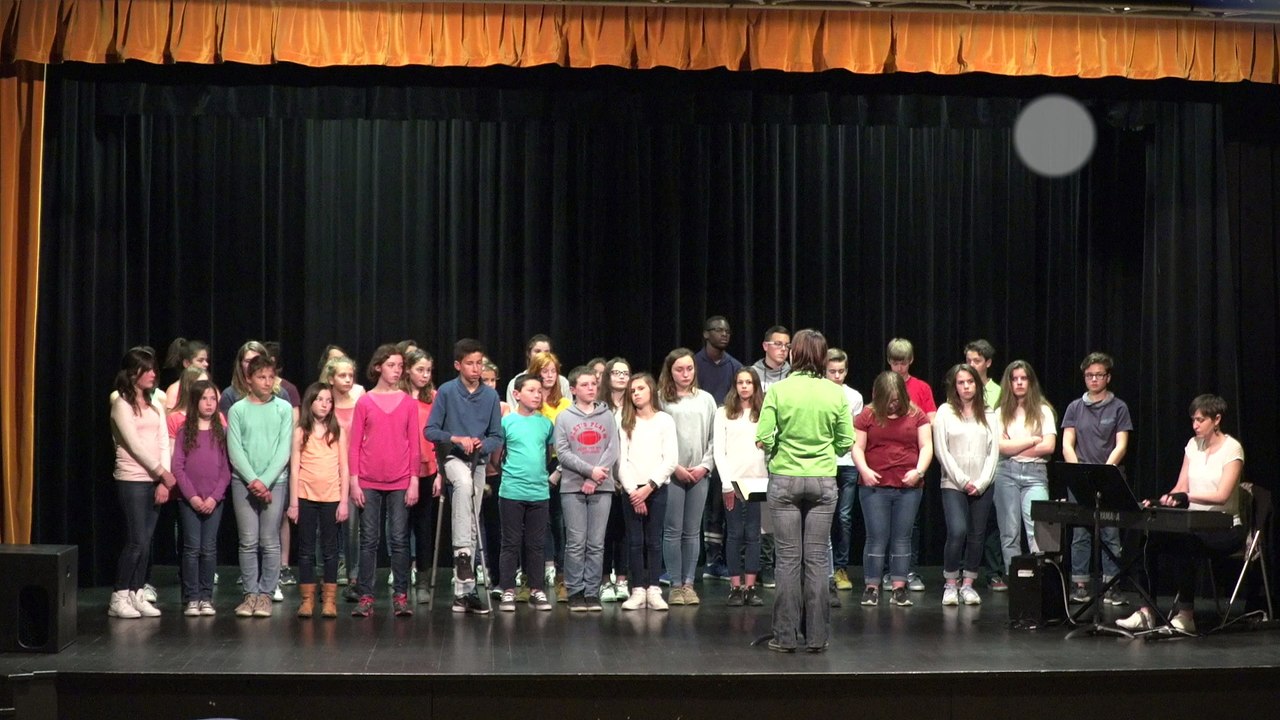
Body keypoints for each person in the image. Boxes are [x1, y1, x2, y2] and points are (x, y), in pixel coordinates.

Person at [756, 329, 853, 652]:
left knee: (787, 559)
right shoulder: (836, 393)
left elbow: (764, 436)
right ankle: (817, 637)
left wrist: (779, 448)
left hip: (784, 479)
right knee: (816, 561)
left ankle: (784, 637)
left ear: (795, 354)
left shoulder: (780, 390)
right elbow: (846, 442)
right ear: (823, 357)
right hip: (823, 480)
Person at [1117, 395, 1245, 634]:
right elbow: (1181, 487)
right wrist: (1166, 498)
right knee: (1148, 538)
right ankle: (1146, 611)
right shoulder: (1192, 445)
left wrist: (1187, 497)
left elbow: (1222, 495)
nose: (1195, 425)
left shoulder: (1232, 448)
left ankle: (1186, 615)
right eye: (1193, 420)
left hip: (1224, 528)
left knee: (1185, 541)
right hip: (1193, 522)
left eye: (1200, 420)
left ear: (1216, 419)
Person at [425, 338, 504, 614]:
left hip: (478, 461)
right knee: (463, 483)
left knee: (472, 518)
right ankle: (461, 554)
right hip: (452, 459)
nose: (476, 368)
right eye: (470, 363)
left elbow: (497, 435)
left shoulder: (491, 396)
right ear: (458, 365)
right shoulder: (447, 391)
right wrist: (456, 438)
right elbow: (431, 431)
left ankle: (464, 593)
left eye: (479, 363)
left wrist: (484, 444)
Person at [348, 345, 421, 618]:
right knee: (368, 540)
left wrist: (414, 480)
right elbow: (354, 445)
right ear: (379, 366)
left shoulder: (408, 402)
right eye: (392, 365)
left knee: (400, 539)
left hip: (400, 478)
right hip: (369, 478)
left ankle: (400, 596)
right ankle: (366, 596)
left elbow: (414, 444)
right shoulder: (365, 402)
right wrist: (355, 482)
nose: (397, 370)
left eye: (400, 366)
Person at [852, 371, 932, 608]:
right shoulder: (868, 414)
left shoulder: (916, 415)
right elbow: (857, 447)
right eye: (889, 399)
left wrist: (918, 471)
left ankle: (899, 587)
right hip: (874, 485)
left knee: (902, 538)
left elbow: (927, 446)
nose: (893, 404)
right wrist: (864, 470)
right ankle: (871, 587)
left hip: (908, 486)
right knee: (876, 537)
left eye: (897, 399)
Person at [1061, 352, 1134, 606]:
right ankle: (1080, 583)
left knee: (1110, 532)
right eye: (1089, 375)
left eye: (1099, 375)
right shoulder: (1074, 407)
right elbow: (1067, 443)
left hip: (1109, 476)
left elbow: (1121, 445)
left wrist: (1104, 471)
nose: (1093, 379)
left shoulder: (1119, 407)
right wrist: (1078, 473)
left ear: (1108, 377)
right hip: (1082, 477)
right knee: (1081, 531)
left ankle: (1111, 585)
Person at [226, 354, 294, 619]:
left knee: (270, 540)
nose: (267, 382)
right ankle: (250, 594)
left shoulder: (283, 408)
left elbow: (283, 449)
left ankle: (266, 594)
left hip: (274, 482)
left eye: (270, 377)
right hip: (243, 483)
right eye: (261, 377)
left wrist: (264, 481)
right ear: (248, 379)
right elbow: (235, 450)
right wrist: (253, 480)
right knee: (248, 541)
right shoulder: (238, 409)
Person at [108, 347, 173, 619]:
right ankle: (119, 595)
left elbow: (163, 441)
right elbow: (134, 445)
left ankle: (137, 592)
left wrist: (164, 480)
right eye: (146, 369)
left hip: (154, 480)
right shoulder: (121, 404)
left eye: (153, 369)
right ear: (132, 372)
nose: (153, 374)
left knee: (146, 542)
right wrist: (160, 471)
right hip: (132, 479)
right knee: (136, 540)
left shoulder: (155, 404)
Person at [554, 366, 621, 611]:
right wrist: (588, 472)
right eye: (585, 385)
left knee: (596, 542)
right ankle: (575, 591)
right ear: (573, 389)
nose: (591, 388)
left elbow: (613, 449)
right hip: (573, 486)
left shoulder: (607, 415)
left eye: (593, 384)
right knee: (576, 541)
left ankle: (592, 591)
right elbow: (562, 452)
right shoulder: (564, 417)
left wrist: (595, 478)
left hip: (601, 486)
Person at [933, 364, 998, 606]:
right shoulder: (944, 412)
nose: (966, 386)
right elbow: (942, 450)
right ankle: (951, 583)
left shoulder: (989, 413)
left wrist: (981, 482)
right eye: (961, 382)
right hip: (953, 483)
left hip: (983, 483)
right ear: (954, 386)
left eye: (970, 382)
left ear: (977, 384)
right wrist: (962, 480)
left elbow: (994, 452)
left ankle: (968, 583)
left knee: (977, 535)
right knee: (958, 531)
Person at [658, 348, 717, 606]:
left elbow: (716, 437)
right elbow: (656, 437)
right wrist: (675, 466)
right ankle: (675, 583)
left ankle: (689, 584)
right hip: (672, 473)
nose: (685, 374)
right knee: (672, 530)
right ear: (670, 371)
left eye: (689, 368)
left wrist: (705, 465)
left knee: (692, 531)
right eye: (679, 369)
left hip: (699, 473)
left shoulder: (705, 399)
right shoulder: (661, 399)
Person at [287, 382, 350, 619]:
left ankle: (330, 600)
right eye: (320, 400)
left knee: (330, 551)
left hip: (331, 497)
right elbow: (295, 468)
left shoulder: (338, 430)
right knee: (305, 551)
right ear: (310, 402)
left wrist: (344, 501)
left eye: (329, 400)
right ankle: (307, 599)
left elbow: (344, 468)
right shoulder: (300, 431)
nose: (325, 404)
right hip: (305, 495)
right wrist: (294, 503)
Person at [616, 373, 678, 611]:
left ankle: (653, 588)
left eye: (640, 388)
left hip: (657, 488)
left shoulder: (664, 421)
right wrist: (634, 492)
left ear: (651, 390)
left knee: (653, 540)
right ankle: (637, 589)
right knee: (634, 541)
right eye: (632, 391)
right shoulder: (625, 421)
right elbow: (621, 461)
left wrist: (649, 488)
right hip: (632, 488)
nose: (636, 393)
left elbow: (670, 459)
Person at [497, 375, 557, 612]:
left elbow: (547, 454)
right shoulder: (507, 422)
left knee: (536, 543)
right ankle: (508, 589)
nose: (536, 395)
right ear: (517, 394)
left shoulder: (545, 424)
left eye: (539, 391)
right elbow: (497, 456)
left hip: (539, 492)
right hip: (512, 491)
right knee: (510, 542)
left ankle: (536, 589)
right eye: (531, 390)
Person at [172, 379, 231, 617]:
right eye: (204, 398)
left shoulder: (222, 432)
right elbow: (178, 467)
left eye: (212, 399)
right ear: (195, 401)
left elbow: (227, 469)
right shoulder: (185, 431)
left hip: (213, 501)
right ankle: (191, 597)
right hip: (190, 500)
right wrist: (193, 497)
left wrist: (214, 497)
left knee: (208, 549)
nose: (209, 403)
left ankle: (206, 597)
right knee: (191, 548)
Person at [993, 360, 1057, 574]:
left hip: (1035, 474)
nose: (1019, 383)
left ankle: (1040, 578)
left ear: (1030, 381)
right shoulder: (1001, 412)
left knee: (1038, 530)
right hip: (1006, 473)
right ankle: (1017, 580)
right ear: (1009, 383)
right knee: (1009, 533)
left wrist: (1014, 447)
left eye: (1023, 378)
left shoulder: (1043, 410)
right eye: (1014, 379)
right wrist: (1032, 440)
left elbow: (1049, 446)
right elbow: (1000, 447)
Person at [694, 316, 742, 582]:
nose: (724, 334)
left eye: (727, 330)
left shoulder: (735, 367)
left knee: (719, 505)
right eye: (718, 330)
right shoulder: (694, 364)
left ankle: (716, 560)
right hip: (696, 444)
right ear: (705, 334)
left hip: (725, 444)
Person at [885, 338, 936, 592]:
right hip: (885, 465)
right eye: (895, 363)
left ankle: (909, 571)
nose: (899, 368)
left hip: (912, 462)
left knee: (909, 525)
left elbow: (932, 420)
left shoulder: (922, 388)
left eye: (903, 363)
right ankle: (887, 573)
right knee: (884, 524)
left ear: (911, 361)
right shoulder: (883, 385)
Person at [714, 368, 768, 607]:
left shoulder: (764, 412)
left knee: (755, 534)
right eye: (740, 382)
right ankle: (735, 586)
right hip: (733, 481)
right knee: (735, 534)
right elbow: (719, 451)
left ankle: (751, 586)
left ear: (755, 386)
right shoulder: (723, 413)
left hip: (758, 480)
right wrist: (726, 482)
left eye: (749, 382)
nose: (744, 386)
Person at [965, 338, 1007, 592]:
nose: (971, 365)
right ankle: (961, 571)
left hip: (992, 465)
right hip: (965, 464)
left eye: (976, 361)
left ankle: (993, 572)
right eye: (968, 360)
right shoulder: (959, 388)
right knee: (962, 523)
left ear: (988, 363)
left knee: (990, 522)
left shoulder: (1000, 393)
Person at [322, 353, 365, 595]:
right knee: (325, 527)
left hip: (353, 472)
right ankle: (324, 578)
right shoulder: (325, 404)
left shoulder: (360, 401)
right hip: (327, 471)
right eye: (342, 375)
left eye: (350, 375)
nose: (348, 380)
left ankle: (353, 578)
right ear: (331, 378)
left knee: (352, 529)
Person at [530, 351, 571, 601]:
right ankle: (533, 575)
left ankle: (561, 575)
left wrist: (557, 472)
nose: (548, 376)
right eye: (543, 371)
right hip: (533, 465)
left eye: (552, 371)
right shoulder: (531, 402)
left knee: (557, 521)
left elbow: (568, 442)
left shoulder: (564, 404)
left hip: (559, 466)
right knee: (535, 522)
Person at [824, 348, 864, 593]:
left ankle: (840, 567)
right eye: (832, 371)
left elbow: (856, 433)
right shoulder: (818, 393)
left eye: (841, 371)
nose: (837, 376)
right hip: (825, 463)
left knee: (844, 517)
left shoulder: (854, 397)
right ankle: (824, 569)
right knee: (824, 517)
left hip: (847, 463)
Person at [403, 349, 440, 604]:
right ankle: (402, 580)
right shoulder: (399, 397)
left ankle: (424, 580)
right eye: (420, 370)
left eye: (428, 370)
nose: (425, 375)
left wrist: (439, 473)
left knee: (424, 527)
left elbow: (439, 436)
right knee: (400, 528)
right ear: (408, 370)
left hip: (428, 470)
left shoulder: (435, 398)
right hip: (402, 470)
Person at [600, 357, 632, 602]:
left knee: (623, 532)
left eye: (625, 373)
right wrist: (611, 476)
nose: (622, 376)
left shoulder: (635, 406)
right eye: (616, 372)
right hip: (605, 478)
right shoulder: (600, 407)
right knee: (604, 533)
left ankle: (622, 579)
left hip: (629, 477)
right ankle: (603, 581)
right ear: (607, 377)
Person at [504, 334, 571, 407]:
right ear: (528, 354)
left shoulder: (562, 382)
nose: (542, 355)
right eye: (537, 351)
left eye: (546, 352)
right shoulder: (516, 382)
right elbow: (513, 412)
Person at [162, 338, 209, 410]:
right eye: (200, 360)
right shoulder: (174, 390)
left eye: (206, 360)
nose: (206, 364)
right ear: (187, 363)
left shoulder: (210, 388)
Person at [752, 325, 792, 392]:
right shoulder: (752, 373)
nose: (783, 349)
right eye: (778, 344)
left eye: (787, 345)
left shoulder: (792, 374)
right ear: (765, 346)